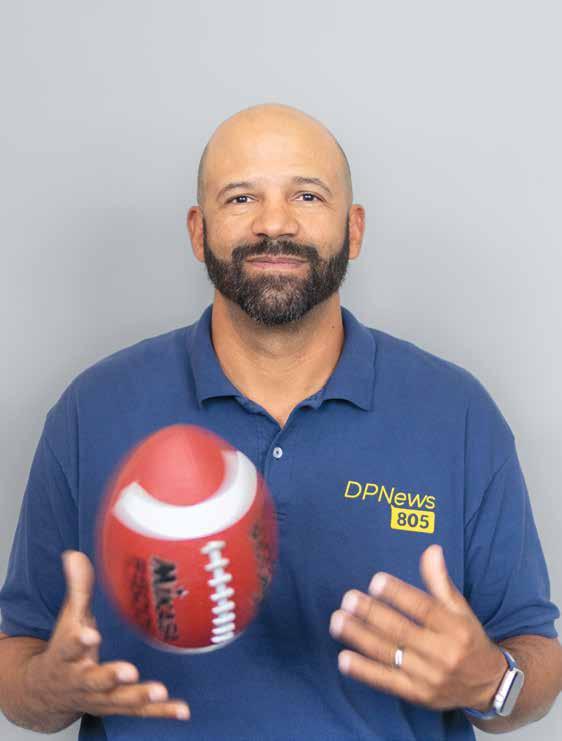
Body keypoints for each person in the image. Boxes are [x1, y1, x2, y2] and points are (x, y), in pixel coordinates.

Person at [0, 103, 560, 740]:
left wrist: (492, 682)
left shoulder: (457, 413)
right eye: (241, 197)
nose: (274, 223)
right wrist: (47, 689)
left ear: (353, 230)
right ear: (198, 232)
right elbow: (19, 659)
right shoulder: (93, 409)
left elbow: (535, 656)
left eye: (307, 195)